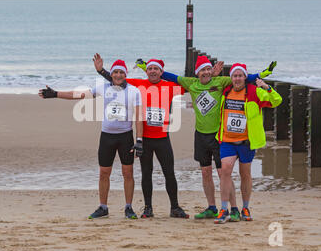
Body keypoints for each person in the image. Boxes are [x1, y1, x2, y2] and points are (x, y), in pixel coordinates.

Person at [158, 56, 275, 220]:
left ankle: (234, 208)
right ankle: (212, 207)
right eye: (202, 70)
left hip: (218, 136)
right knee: (205, 173)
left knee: (223, 173)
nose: (205, 72)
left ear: (211, 71)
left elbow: (242, 77)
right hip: (200, 135)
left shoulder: (220, 81)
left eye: (208, 69)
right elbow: (169, 76)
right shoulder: (190, 83)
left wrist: (264, 73)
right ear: (197, 73)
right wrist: (150, 68)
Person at [39, 59, 143, 220]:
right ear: (112, 74)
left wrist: (139, 140)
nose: (118, 75)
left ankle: (128, 207)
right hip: (107, 136)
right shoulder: (103, 88)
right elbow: (79, 95)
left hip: (125, 137)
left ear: (125, 75)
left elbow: (139, 117)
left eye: (122, 72)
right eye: (115, 72)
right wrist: (56, 94)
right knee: (104, 172)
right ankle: (103, 207)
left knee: (127, 173)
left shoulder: (134, 91)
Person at [93, 53, 189, 218]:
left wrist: (163, 74)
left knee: (169, 173)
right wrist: (101, 71)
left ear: (161, 72)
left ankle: (175, 207)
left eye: (156, 69)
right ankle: (148, 208)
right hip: (145, 139)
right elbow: (117, 78)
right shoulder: (138, 85)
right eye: (150, 68)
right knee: (146, 173)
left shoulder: (170, 87)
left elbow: (188, 83)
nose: (152, 71)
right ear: (146, 71)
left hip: (162, 139)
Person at [214, 63, 282, 224]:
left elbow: (277, 100)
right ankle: (224, 209)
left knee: (245, 174)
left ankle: (245, 207)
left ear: (245, 77)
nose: (237, 78)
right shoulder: (226, 91)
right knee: (225, 170)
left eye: (240, 75)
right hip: (227, 140)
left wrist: (266, 87)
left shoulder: (254, 92)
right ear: (231, 78)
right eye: (234, 76)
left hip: (246, 142)